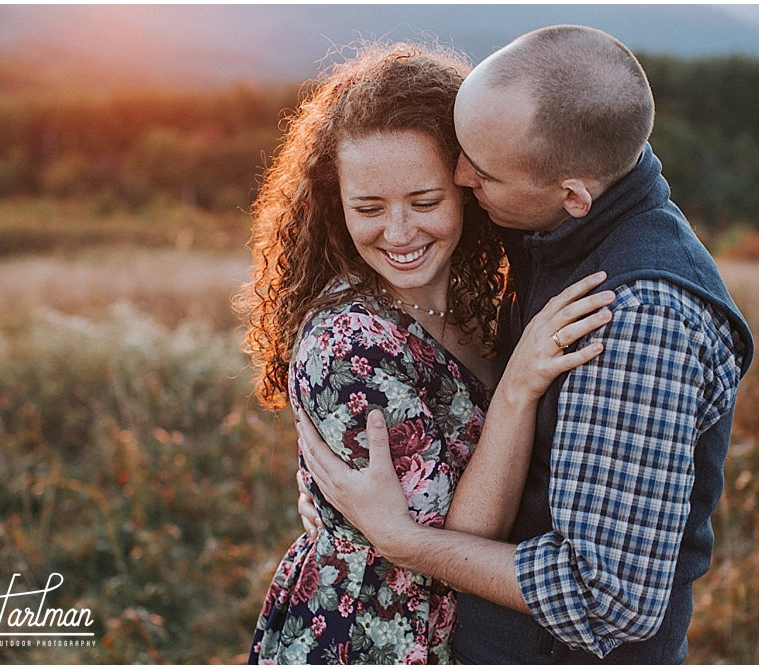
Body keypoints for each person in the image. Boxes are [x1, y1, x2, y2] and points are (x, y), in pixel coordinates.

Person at [298, 25, 755, 664]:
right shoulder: (556, 233)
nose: (460, 175)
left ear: (573, 194)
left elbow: (605, 599)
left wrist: (402, 540)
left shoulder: (634, 320)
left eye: (479, 172)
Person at [237, 42, 615, 664]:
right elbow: (457, 543)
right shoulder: (348, 347)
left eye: (425, 201)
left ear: (469, 185)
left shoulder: (480, 296)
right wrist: (518, 386)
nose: (400, 233)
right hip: (372, 636)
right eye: (369, 207)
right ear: (337, 203)